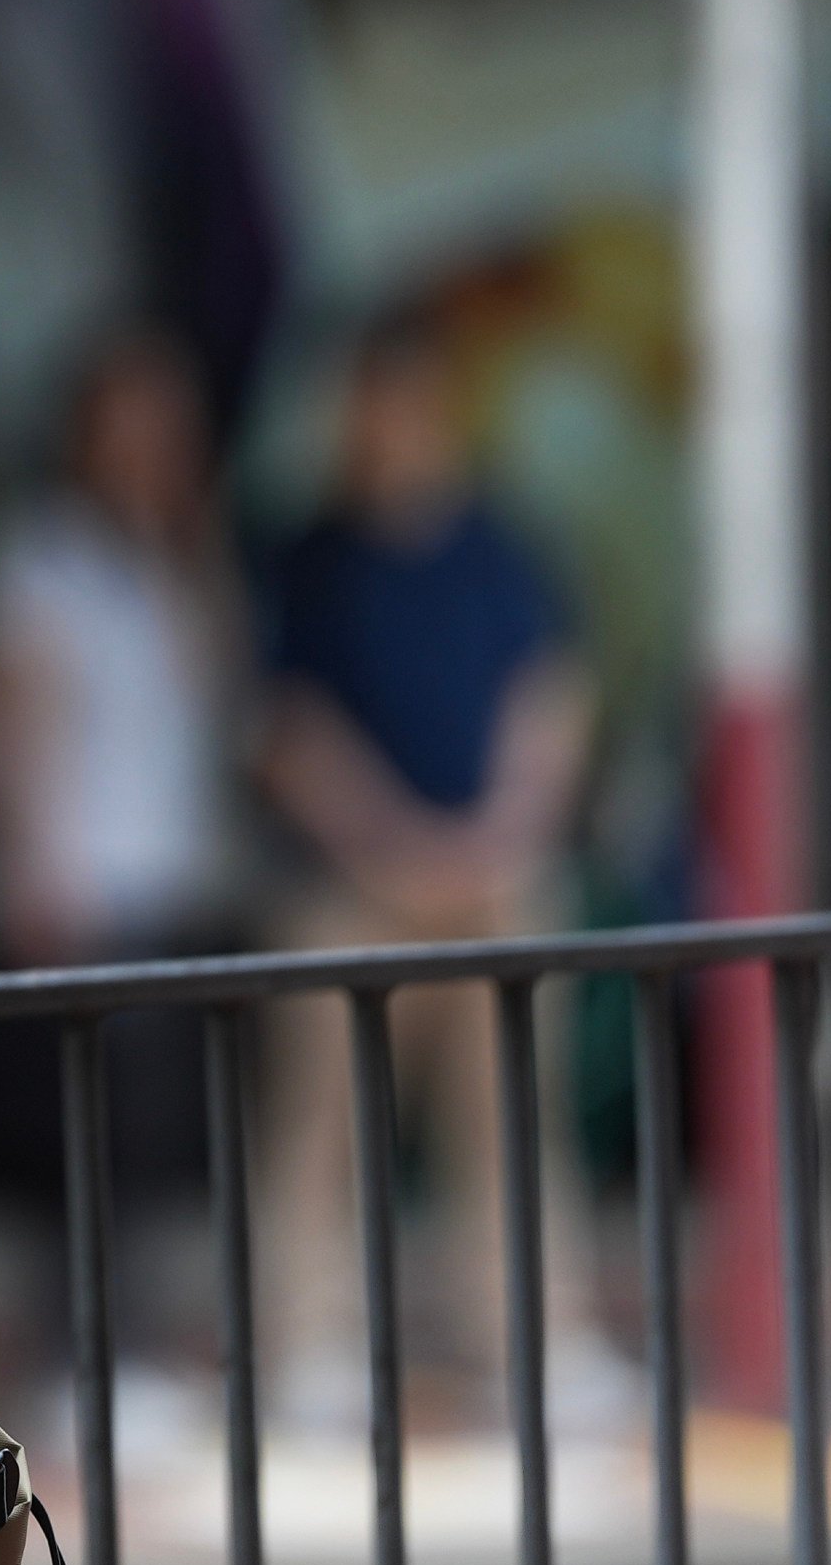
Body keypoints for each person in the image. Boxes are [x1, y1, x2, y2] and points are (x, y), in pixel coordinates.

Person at [255, 309, 597, 1395]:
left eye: (401, 403)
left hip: (496, 878)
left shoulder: (504, 546)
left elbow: (553, 699)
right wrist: (392, 844)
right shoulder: (303, 557)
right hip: (350, 886)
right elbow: (283, 732)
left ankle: (536, 1344)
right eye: (364, 404)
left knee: (513, 1122)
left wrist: (503, 830)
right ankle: (307, 1348)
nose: (380, 427)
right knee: (322, 1125)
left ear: (439, 411)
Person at [0, 323, 245, 967]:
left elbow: (219, 688)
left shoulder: (185, 561)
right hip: (88, 898)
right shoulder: (37, 559)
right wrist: (31, 875)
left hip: (186, 883)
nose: (144, 451)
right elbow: (9, 731)